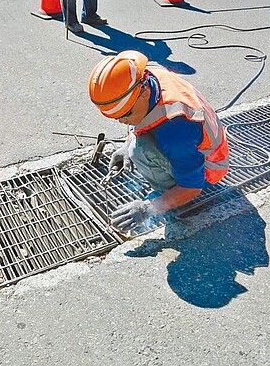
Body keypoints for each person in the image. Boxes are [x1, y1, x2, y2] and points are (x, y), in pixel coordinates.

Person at [88, 50, 230, 233]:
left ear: (143, 94)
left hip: (209, 170)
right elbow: (145, 115)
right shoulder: (147, 74)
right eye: (115, 118)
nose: (121, 121)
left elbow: (193, 186)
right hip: (194, 145)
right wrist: (127, 142)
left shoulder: (175, 131)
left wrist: (148, 208)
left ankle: (168, 192)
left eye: (124, 115)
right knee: (134, 145)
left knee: (139, 150)